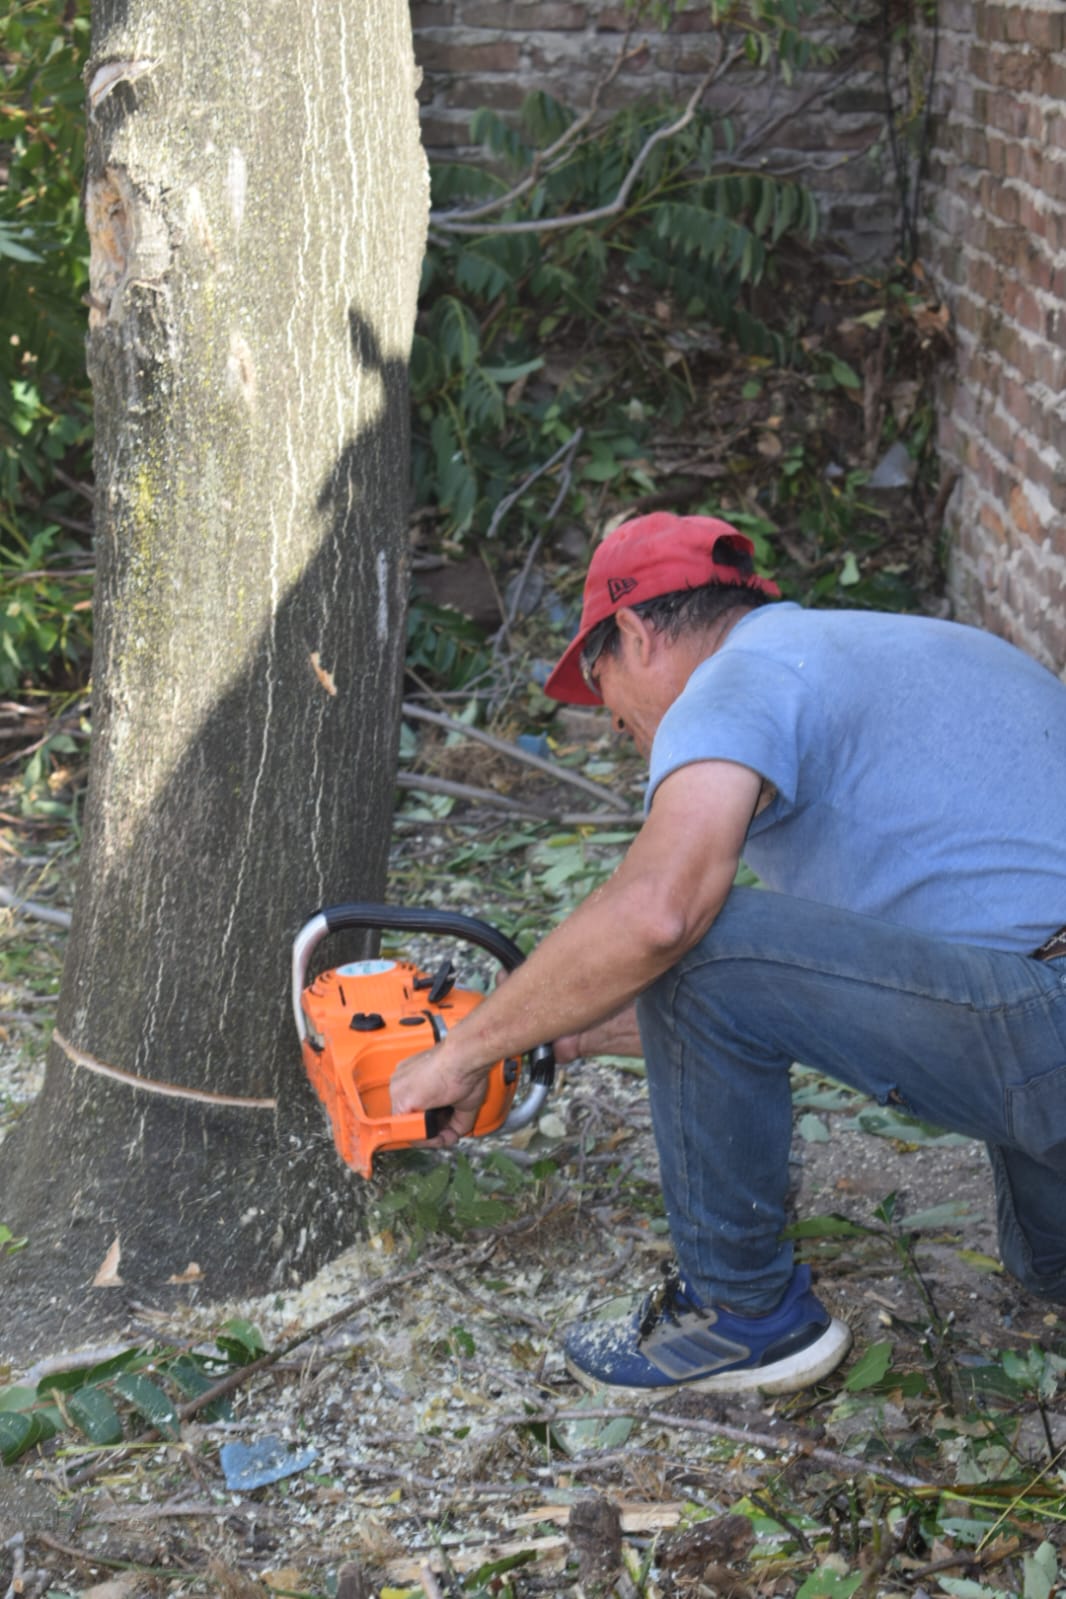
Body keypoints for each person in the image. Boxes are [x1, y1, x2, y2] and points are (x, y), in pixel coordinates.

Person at [390, 511, 1066, 1397]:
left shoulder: (740, 676)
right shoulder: (872, 655)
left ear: (636, 633)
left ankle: (741, 1314)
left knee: (699, 942)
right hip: (1035, 1005)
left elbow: (664, 920)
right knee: (1049, 1263)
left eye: (602, 688)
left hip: (1046, 1016)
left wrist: (461, 1052)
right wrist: (562, 1029)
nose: (619, 727)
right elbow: (811, 992)